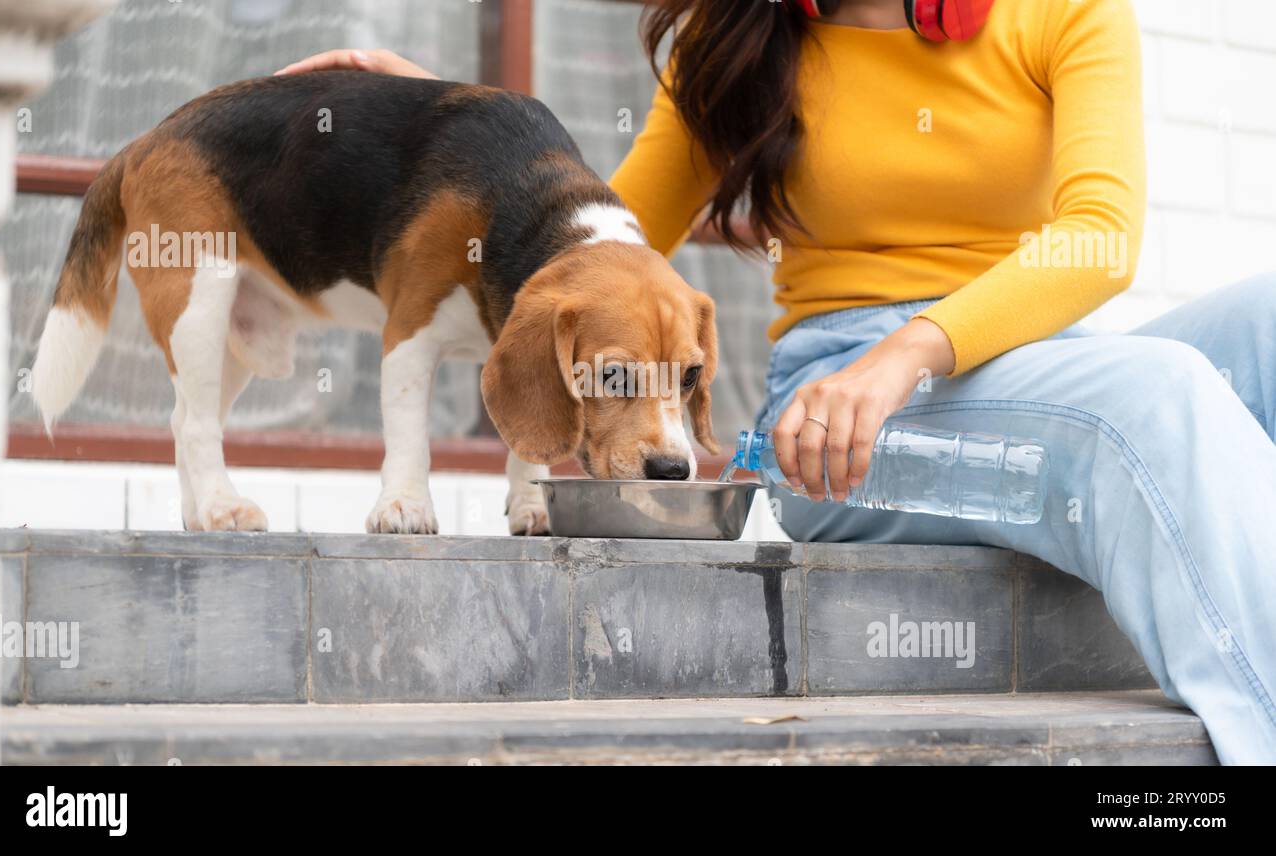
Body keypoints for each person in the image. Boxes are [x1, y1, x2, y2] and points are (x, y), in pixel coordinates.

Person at [277, 0, 1276, 764]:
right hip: (832, 411)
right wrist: (445, 124)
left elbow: (1099, 238)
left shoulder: (1060, 11)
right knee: (1160, 404)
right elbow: (604, 239)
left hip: (996, 366)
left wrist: (912, 354)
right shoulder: (743, 39)